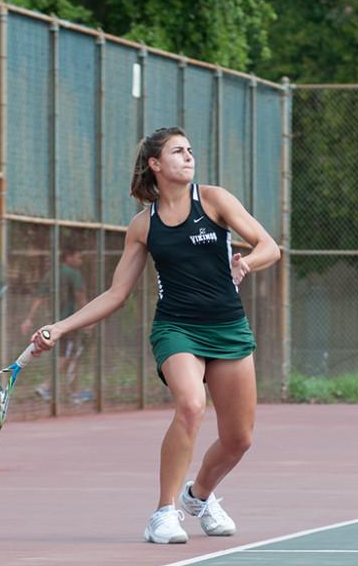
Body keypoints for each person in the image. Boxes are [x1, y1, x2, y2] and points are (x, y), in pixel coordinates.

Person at [28, 126, 280, 544]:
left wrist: (248, 263)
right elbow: (115, 293)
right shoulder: (143, 226)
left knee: (239, 439)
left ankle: (198, 497)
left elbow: (270, 245)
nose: (188, 156)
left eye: (190, 150)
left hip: (228, 327)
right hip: (176, 328)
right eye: (178, 151)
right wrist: (59, 326)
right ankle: (163, 513)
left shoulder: (215, 200)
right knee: (191, 405)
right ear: (155, 164)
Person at [21, 246, 91, 403]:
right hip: (71, 323)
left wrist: (29, 318)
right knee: (67, 356)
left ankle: (74, 391)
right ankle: (46, 386)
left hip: (54, 323)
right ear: (68, 257)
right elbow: (81, 297)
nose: (80, 261)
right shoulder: (74, 274)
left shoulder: (50, 274)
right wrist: (89, 320)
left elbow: (39, 297)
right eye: (78, 257)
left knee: (70, 356)